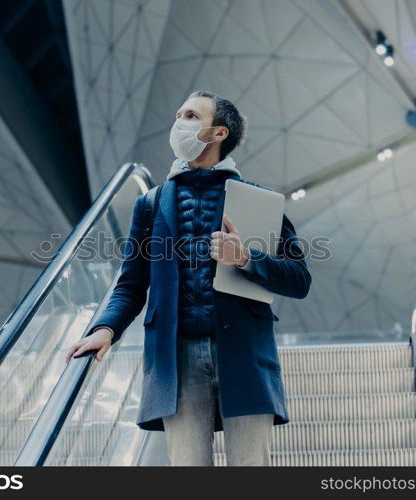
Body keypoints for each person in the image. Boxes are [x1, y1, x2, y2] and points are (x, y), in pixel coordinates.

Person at [66, 90, 311, 466]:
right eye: (179, 114)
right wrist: (105, 329)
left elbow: (299, 279)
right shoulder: (150, 203)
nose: (180, 122)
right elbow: (131, 283)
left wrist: (246, 257)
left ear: (218, 134)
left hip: (244, 352)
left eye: (192, 116)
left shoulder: (260, 201)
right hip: (175, 361)